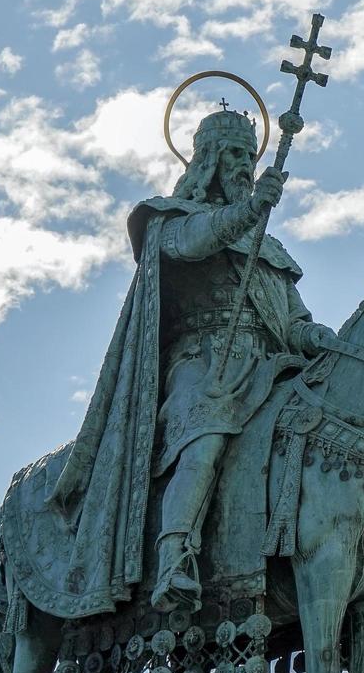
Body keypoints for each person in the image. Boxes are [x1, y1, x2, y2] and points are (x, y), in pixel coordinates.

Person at [48, 107, 338, 614]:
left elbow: (290, 318)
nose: (244, 166)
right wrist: (248, 213)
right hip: (202, 365)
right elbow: (196, 244)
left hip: (270, 366)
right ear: (205, 160)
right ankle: (175, 557)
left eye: (250, 156)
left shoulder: (267, 246)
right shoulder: (170, 220)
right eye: (233, 154)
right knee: (205, 442)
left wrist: (314, 333)